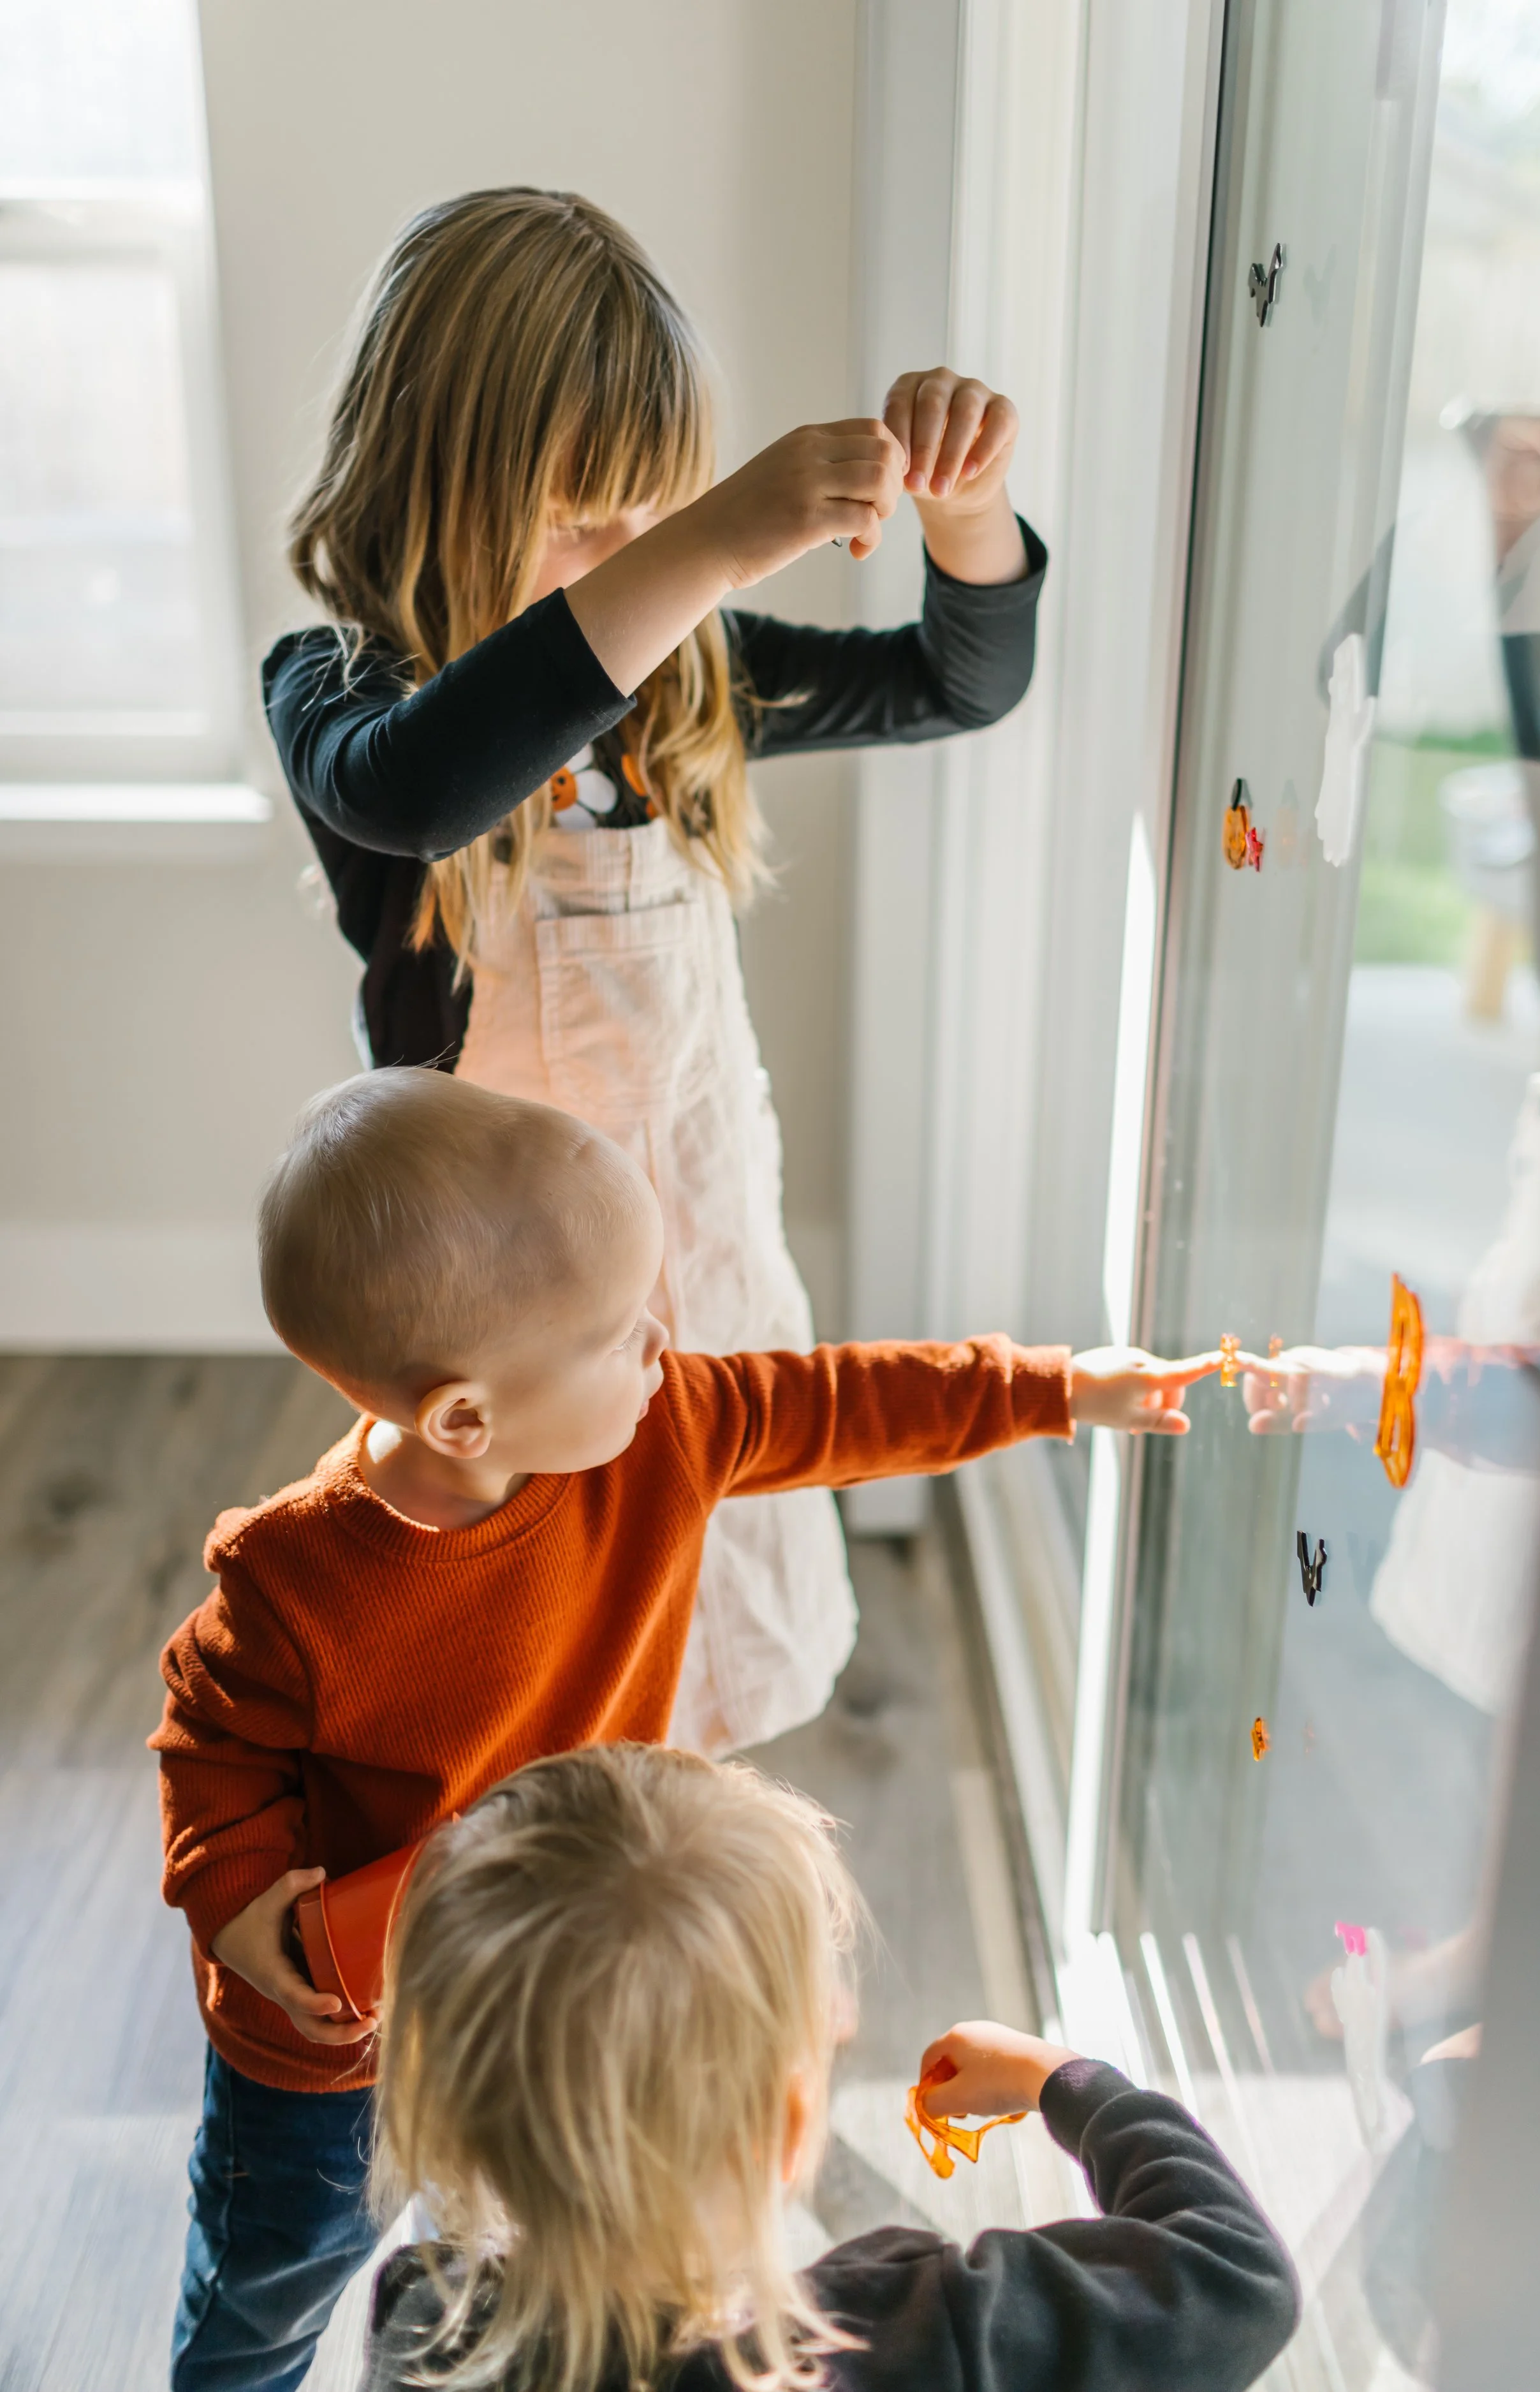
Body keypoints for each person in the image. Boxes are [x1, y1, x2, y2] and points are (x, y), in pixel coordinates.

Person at [152, 1067, 1222, 2392]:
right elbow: (209, 1738)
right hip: (336, 2033)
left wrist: (1051, 1390)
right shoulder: (296, 1573)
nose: (661, 1345)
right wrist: (233, 1890)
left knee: (529, 2245)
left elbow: (843, 1403)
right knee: (277, 2275)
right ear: (465, 1418)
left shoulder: (667, 1428)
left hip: (561, 1985)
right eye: (616, 1334)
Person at [264, 185, 1048, 1759]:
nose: (627, 559)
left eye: (653, 512)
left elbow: (954, 684)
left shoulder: (691, 679)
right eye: (581, 517)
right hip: (497, 1312)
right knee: (525, 1685)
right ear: (433, 477)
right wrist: (707, 539)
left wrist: (966, 508)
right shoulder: (343, 686)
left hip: (702, 1257)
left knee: (709, 1656)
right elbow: (422, 788)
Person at [358, 1743, 1301, 2392]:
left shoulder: (421, 2324)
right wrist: (1061, 2075)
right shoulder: (905, 2337)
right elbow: (1237, 2274)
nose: (845, 2014)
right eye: (825, 2010)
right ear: (792, 2123)